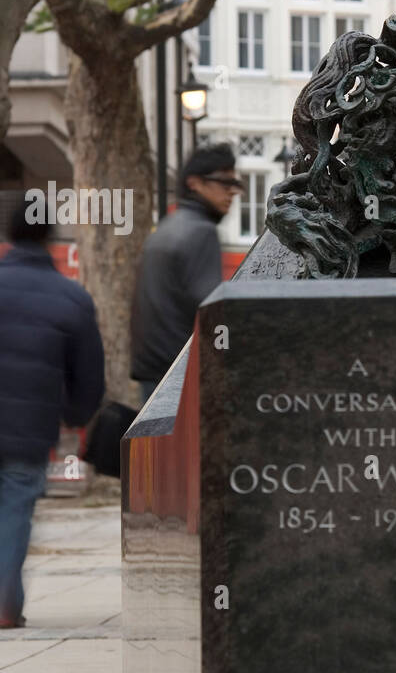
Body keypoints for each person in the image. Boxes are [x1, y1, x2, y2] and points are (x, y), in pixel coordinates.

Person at [0, 202, 104, 629]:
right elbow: (89, 377)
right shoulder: (72, 298)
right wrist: (75, 416)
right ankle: (4, 604)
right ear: (49, 236)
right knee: (14, 511)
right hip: (28, 430)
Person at [131, 143, 242, 404]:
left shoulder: (167, 228)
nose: (232, 192)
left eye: (235, 184)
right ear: (195, 183)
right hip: (180, 376)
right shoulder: (201, 232)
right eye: (223, 182)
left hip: (154, 374)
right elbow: (211, 310)